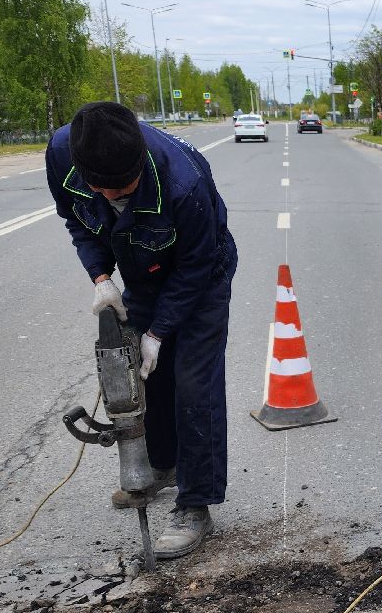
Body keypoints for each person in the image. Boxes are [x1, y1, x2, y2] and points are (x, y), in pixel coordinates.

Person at [45, 102, 238, 560]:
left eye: (124, 188)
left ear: (140, 165)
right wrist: (101, 277)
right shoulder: (61, 154)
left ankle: (195, 505)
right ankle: (162, 468)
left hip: (202, 275)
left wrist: (161, 329)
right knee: (146, 377)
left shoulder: (183, 182)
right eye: (102, 189)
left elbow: (196, 264)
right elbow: (76, 219)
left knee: (194, 383)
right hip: (141, 270)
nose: (113, 198)